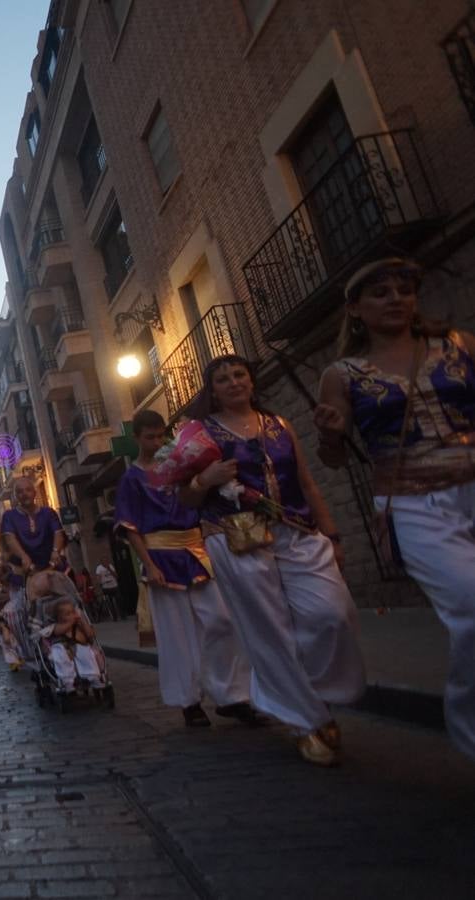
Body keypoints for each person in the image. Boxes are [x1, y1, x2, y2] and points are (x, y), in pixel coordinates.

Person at [315, 256, 475, 760]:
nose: (396, 299)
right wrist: (329, 432)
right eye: (381, 292)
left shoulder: (458, 346)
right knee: (470, 606)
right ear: (356, 309)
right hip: (413, 502)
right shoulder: (342, 374)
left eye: (404, 289)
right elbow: (335, 459)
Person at [180, 355, 365, 766]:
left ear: (251, 380)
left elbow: (306, 481)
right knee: (270, 631)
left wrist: (331, 533)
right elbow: (184, 498)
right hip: (236, 538)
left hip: (298, 532)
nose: (232, 382)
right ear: (212, 389)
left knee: (331, 614)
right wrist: (202, 481)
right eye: (223, 378)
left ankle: (318, 693)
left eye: (239, 374)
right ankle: (307, 720)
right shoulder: (199, 434)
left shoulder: (279, 424)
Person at [117, 409, 259, 729]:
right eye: (149, 436)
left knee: (222, 620)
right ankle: (189, 701)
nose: (156, 442)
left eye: (161, 435)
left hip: (196, 550)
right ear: (136, 437)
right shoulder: (131, 478)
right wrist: (148, 564)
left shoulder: (180, 468)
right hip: (161, 556)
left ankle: (232, 696)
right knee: (176, 634)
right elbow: (130, 528)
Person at [0, 477, 66, 668]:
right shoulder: (10, 517)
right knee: (22, 613)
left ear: (34, 492)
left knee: (67, 604)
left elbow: (58, 533)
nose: (24, 494)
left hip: (52, 570)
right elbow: (9, 538)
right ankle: (33, 653)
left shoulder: (48, 513)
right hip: (27, 574)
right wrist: (24, 557)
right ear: (15, 496)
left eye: (28, 490)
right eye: (19, 492)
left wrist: (55, 552)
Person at [42, 598, 103, 692]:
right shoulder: (56, 626)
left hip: (79, 645)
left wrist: (82, 621)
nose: (72, 615)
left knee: (86, 653)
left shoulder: (78, 624)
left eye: (73, 612)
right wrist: (70, 623)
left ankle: (92, 676)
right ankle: (67, 681)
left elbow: (90, 634)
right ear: (60, 618)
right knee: (59, 656)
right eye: (68, 614)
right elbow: (57, 631)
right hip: (63, 647)